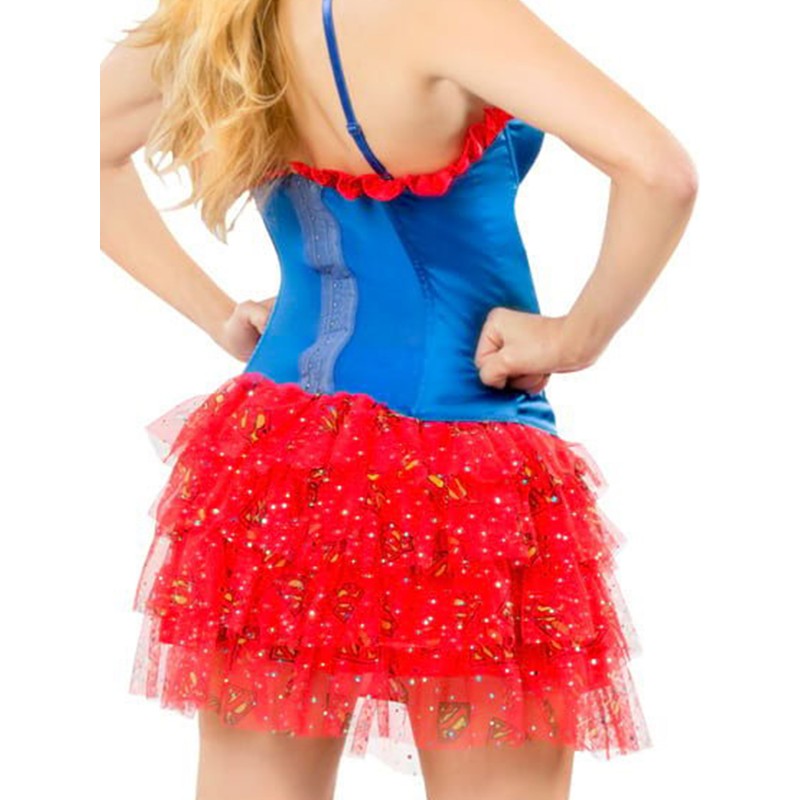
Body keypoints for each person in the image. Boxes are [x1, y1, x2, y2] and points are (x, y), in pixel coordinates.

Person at [100, 0, 697, 798]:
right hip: (465, 478)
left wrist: (217, 315)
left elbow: (74, 149)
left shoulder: (215, 19)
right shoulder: (439, 10)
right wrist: (575, 338)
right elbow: (660, 173)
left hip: (279, 466)